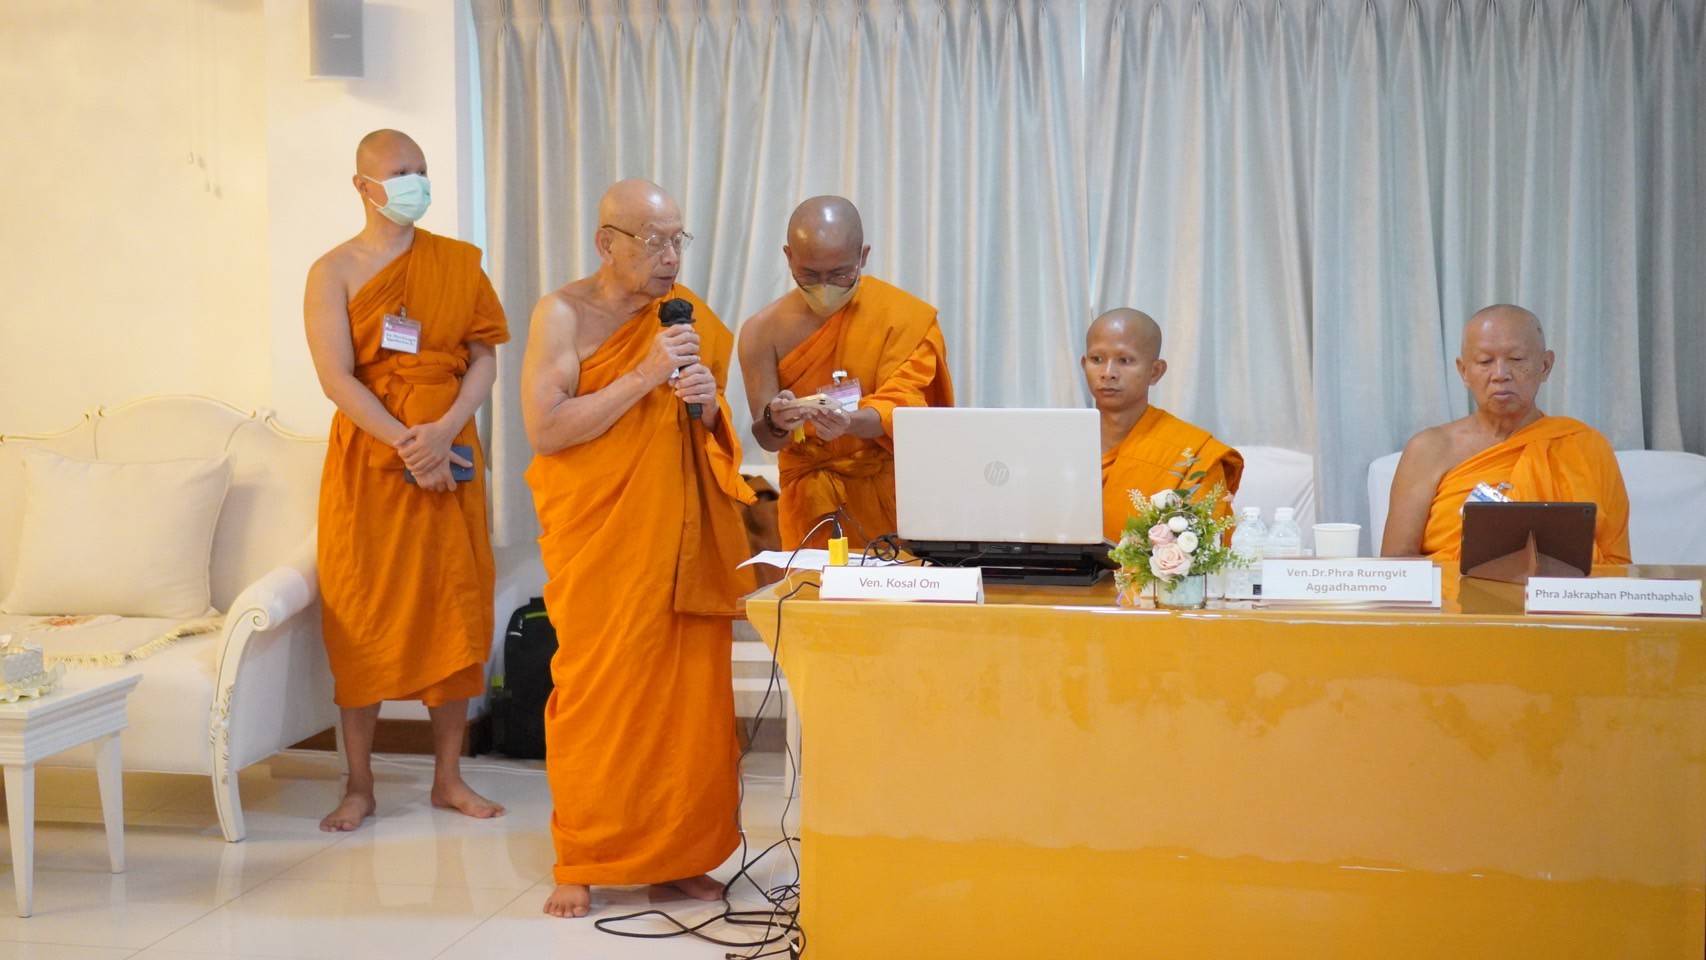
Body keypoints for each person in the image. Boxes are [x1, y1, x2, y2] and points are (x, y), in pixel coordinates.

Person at [520, 179, 757, 919]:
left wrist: (706, 405)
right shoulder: (562, 314)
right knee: (597, 694)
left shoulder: (688, 318)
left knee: (688, 706)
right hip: (604, 547)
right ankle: (585, 858)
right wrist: (644, 375)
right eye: (654, 241)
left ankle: (678, 860)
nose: (669, 257)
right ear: (606, 242)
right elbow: (547, 430)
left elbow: (710, 434)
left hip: (676, 546)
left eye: (677, 240)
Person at [303, 129, 508, 832]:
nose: (415, 182)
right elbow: (336, 378)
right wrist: (406, 442)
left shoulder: (457, 262)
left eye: (421, 170)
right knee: (363, 611)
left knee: (454, 605)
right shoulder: (331, 271)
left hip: (451, 453)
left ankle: (448, 778)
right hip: (370, 463)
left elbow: (484, 358)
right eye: (399, 172)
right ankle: (359, 784)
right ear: (363, 186)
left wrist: (445, 430)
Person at [737, 196, 953, 548]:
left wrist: (848, 422)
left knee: (898, 581)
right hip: (812, 504)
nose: (825, 287)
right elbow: (768, 437)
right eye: (809, 274)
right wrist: (777, 420)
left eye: (840, 274)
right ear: (789, 256)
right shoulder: (761, 331)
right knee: (813, 584)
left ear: (862, 256)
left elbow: (905, 409)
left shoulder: (905, 320)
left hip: (891, 497)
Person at [1381, 304, 1630, 563]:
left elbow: (1616, 563)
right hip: (1454, 589)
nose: (1500, 374)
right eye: (1485, 361)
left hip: (1562, 591)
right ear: (1464, 371)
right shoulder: (1430, 449)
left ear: (1545, 366)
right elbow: (1396, 563)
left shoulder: (1586, 447)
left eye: (1516, 359)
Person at [1085, 308, 1243, 542]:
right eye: (1097, 359)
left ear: (1155, 372)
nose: (1108, 373)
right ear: (1084, 364)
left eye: (1125, 360)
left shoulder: (1193, 454)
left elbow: (1204, 548)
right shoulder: (1058, 444)